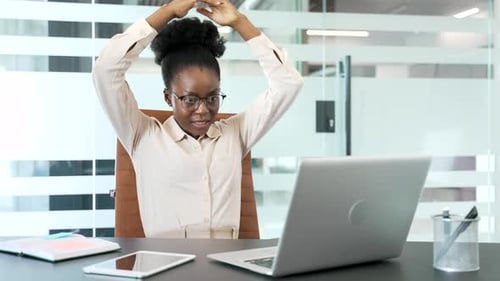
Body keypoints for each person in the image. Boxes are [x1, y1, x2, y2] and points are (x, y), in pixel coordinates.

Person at [93, 0, 304, 239]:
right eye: (190, 99)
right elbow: (106, 69)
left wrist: (239, 22)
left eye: (212, 98)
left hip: (226, 269)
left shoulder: (236, 134)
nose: (203, 111)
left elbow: (289, 83)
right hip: (166, 269)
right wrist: (168, 11)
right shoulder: (142, 136)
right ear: (168, 97)